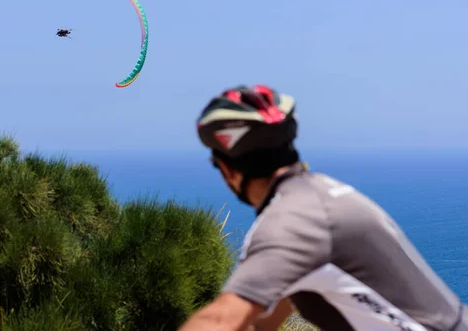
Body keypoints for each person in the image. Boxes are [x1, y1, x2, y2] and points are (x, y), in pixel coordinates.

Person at [177, 84, 467, 331]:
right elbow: (263, 320)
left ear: (228, 169)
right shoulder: (319, 195)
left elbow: (220, 320)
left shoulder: (292, 223)